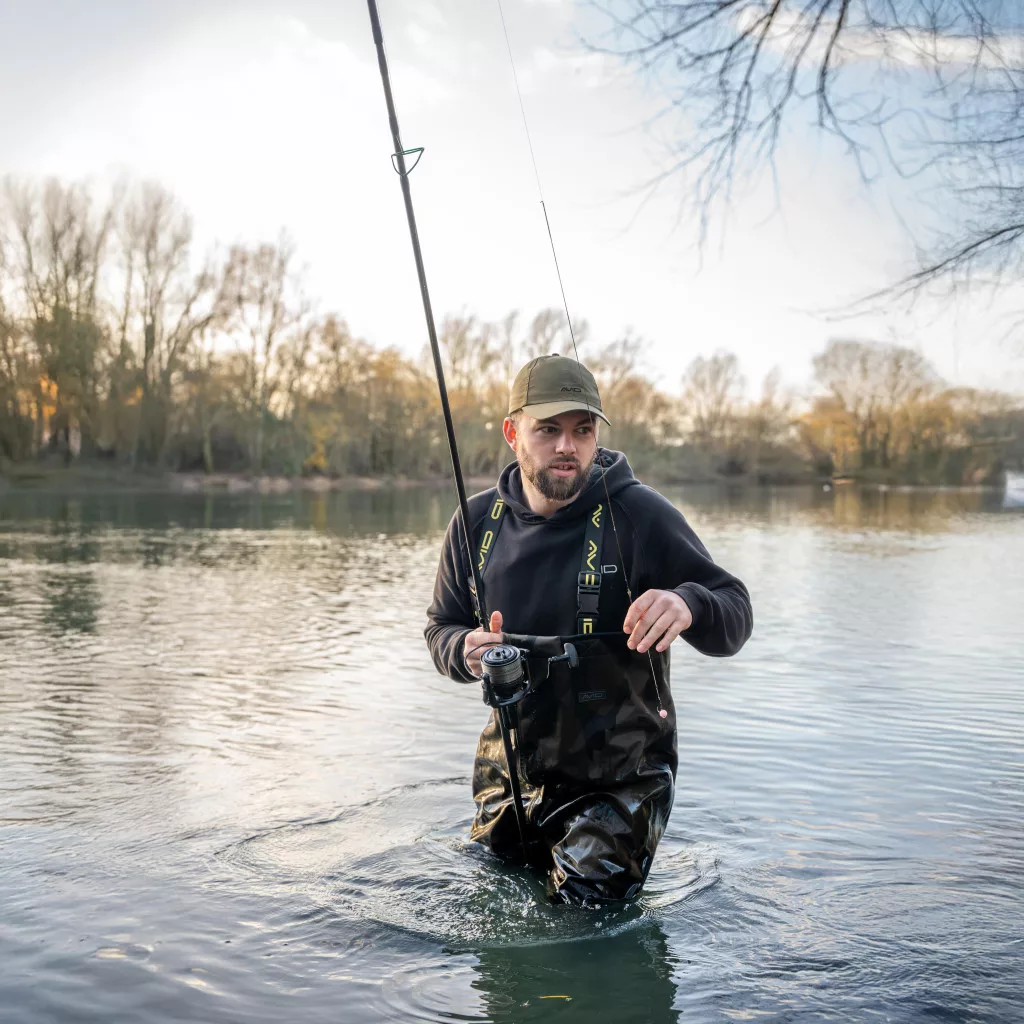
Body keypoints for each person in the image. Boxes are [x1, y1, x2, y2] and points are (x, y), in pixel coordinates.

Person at [425, 354, 752, 905]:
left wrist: (688, 602)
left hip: (619, 784)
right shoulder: (475, 523)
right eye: (547, 430)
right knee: (488, 916)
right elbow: (441, 628)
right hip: (507, 775)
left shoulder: (640, 515)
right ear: (512, 433)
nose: (567, 447)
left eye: (582, 430)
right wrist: (464, 648)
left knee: (577, 922)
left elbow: (735, 611)